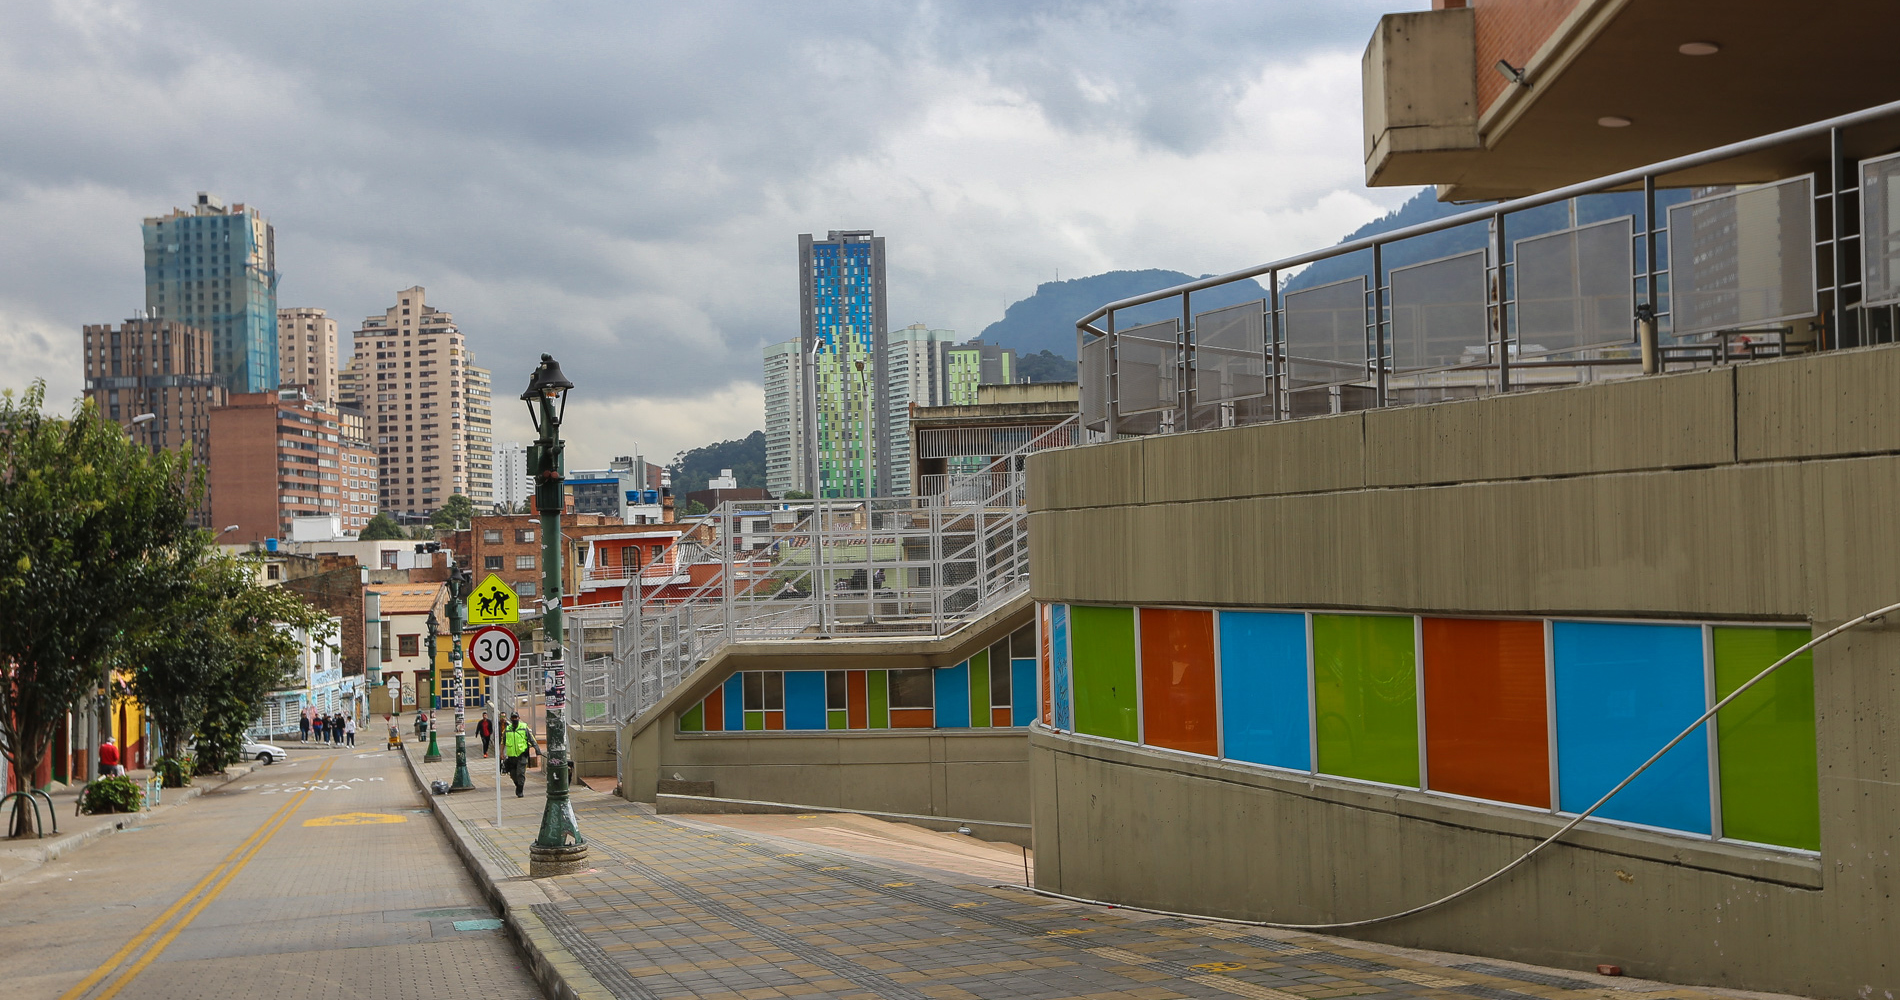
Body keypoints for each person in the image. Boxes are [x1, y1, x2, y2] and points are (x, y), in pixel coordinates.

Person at [502, 713, 535, 797]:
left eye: (515, 717)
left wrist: (537, 750)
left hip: (522, 755)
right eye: (512, 718)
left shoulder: (524, 727)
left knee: (520, 773)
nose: (514, 719)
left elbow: (532, 739)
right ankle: (518, 785)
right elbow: (503, 742)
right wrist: (501, 753)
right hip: (511, 756)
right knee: (513, 774)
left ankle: (520, 790)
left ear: (519, 718)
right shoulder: (507, 729)